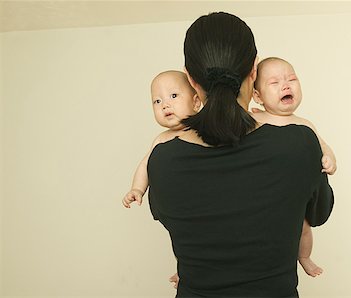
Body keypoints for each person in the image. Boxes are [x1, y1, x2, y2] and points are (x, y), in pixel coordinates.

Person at [147, 12, 333, 297]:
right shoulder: (300, 142)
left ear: (190, 79)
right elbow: (318, 214)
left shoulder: (161, 161)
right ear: (254, 70)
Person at [252, 56, 337, 277]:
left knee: (303, 228)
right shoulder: (256, 119)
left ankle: (304, 257)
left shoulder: (304, 124)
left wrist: (329, 159)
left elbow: (323, 145)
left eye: (292, 79)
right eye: (274, 82)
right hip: (268, 194)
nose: (286, 85)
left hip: (296, 196)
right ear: (257, 96)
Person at [122, 70, 201, 209]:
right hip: (178, 203)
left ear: (196, 102)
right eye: (157, 101)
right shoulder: (162, 139)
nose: (165, 105)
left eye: (174, 96)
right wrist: (137, 189)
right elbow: (145, 165)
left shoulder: (204, 129)